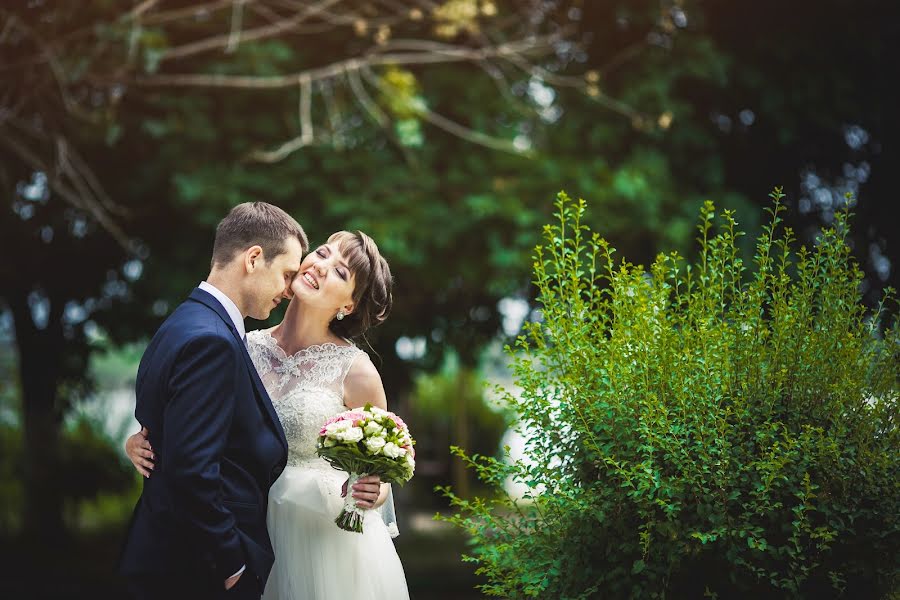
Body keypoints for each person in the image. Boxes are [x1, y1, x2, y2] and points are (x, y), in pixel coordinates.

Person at [126, 229, 409, 600]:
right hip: (247, 526)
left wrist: (377, 489)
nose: (322, 268)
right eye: (323, 254)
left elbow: (380, 463)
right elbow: (197, 431)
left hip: (323, 543)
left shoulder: (357, 371)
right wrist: (141, 442)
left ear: (349, 306)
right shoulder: (243, 345)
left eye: (341, 272)